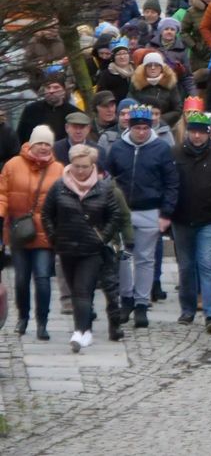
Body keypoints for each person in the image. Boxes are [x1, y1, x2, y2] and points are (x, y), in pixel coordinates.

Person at [104, 104, 179, 328]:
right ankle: (126, 298)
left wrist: (166, 213)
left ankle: (141, 303)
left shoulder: (161, 148)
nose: (141, 132)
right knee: (124, 258)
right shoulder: (117, 148)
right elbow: (107, 180)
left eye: (145, 128)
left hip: (149, 208)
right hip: (123, 211)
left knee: (146, 259)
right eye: (137, 128)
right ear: (130, 127)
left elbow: (171, 182)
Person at [40, 144, 122, 352]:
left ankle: (82, 331)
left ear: (92, 166)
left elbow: (115, 215)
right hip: (66, 246)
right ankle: (83, 330)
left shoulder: (103, 188)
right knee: (75, 290)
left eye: (84, 166)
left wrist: (103, 238)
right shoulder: (60, 186)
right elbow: (46, 214)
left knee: (82, 290)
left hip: (91, 248)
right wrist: (54, 237)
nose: (80, 170)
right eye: (76, 166)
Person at [0, 125, 65, 340]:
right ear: (32, 144)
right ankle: (23, 317)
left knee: (43, 278)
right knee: (21, 279)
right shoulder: (12, 165)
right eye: (40, 143)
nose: (44, 148)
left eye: (48, 144)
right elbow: (2, 194)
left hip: (46, 233)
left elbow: (63, 200)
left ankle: (42, 322)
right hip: (20, 231)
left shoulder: (58, 169)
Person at [170, 111, 211, 332]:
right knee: (185, 266)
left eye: (201, 133)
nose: (196, 136)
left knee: (207, 264)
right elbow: (170, 185)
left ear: (209, 134)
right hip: (182, 219)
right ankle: (188, 309)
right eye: (193, 132)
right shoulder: (175, 153)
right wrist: (168, 212)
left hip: (210, 219)